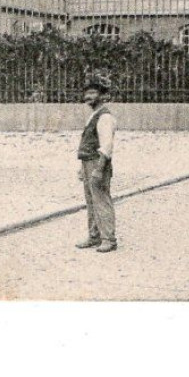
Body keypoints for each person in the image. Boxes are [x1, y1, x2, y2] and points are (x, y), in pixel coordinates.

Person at [75, 77, 117, 253]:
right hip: (88, 162)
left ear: (102, 96)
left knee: (101, 200)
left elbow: (106, 147)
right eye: (87, 93)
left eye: (93, 93)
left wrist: (99, 169)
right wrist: (82, 167)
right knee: (91, 201)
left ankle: (109, 239)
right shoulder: (93, 115)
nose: (88, 96)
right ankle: (94, 236)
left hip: (98, 163)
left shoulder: (105, 117)